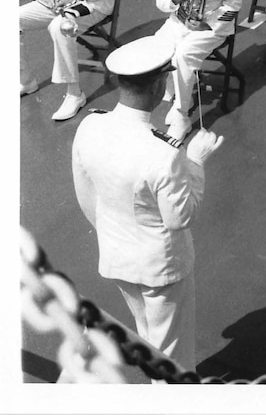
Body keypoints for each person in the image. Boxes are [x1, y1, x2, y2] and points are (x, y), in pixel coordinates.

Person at [71, 35, 224, 372]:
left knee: (148, 337)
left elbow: (86, 194)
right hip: (161, 268)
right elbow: (181, 218)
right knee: (174, 359)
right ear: (158, 86)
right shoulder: (162, 155)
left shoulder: (90, 125)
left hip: (117, 256)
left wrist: (112, 232)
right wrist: (195, 162)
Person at [153, 0, 242, 142]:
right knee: (156, 46)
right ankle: (182, 97)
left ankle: (182, 115)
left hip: (211, 27)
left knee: (183, 54)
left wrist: (207, 22)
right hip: (179, 20)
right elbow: (162, 1)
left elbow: (234, 4)